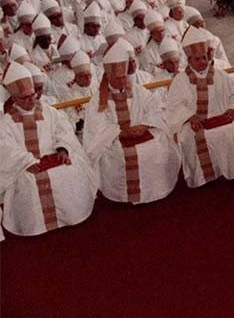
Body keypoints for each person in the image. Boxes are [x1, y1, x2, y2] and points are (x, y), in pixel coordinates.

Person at [0, 60, 96, 236]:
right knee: (29, 182)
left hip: (54, 157)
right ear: (14, 98)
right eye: (25, 98)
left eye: (33, 95)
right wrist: (26, 161)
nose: (32, 100)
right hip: (24, 166)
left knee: (69, 172)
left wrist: (63, 149)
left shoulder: (49, 111)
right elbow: (4, 147)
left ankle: (69, 217)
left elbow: (63, 130)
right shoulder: (5, 122)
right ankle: (37, 225)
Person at [82, 40, 181, 204]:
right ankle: (126, 195)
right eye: (118, 78)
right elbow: (97, 127)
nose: (122, 82)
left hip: (141, 132)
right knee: (118, 155)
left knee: (156, 146)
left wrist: (145, 124)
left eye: (124, 77)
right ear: (108, 76)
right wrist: (120, 131)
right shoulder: (98, 100)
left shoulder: (137, 90)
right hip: (114, 140)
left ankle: (153, 191)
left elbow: (154, 108)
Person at [165, 28, 234, 188]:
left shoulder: (220, 74)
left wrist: (233, 109)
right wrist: (189, 117)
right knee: (190, 137)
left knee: (228, 132)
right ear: (189, 59)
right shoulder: (180, 80)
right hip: (194, 124)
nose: (203, 62)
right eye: (198, 59)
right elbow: (173, 106)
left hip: (222, 118)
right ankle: (204, 177)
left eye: (205, 58)